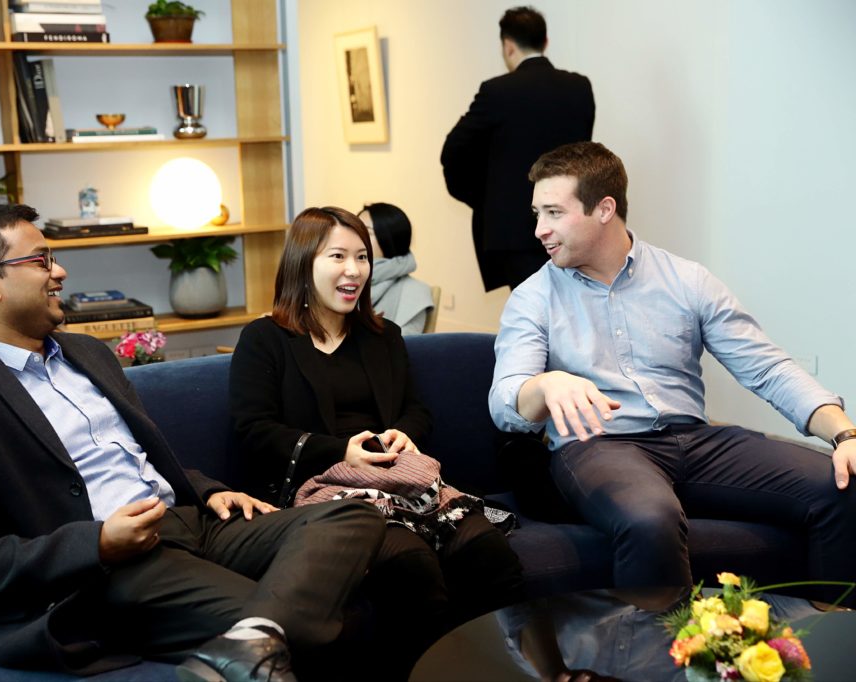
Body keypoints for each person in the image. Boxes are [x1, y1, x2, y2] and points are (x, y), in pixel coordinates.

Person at [0, 203, 387, 681]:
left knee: (353, 512)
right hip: (110, 570)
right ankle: (262, 634)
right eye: (40, 261)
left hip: (186, 521)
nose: (59, 271)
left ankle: (254, 637)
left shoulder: (88, 353)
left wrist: (207, 490)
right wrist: (95, 543)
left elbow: (137, 458)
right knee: (339, 620)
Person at [489, 141, 856, 606]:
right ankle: (663, 669)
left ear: (605, 209)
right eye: (537, 213)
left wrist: (844, 434)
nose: (540, 229)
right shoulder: (532, 297)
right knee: (649, 517)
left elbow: (767, 366)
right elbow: (506, 402)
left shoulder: (686, 280)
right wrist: (544, 385)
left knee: (840, 486)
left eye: (554, 213)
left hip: (696, 442)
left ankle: (831, 650)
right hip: (600, 447)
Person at [228, 206, 525, 680]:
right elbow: (253, 430)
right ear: (304, 262)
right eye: (338, 256)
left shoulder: (383, 336)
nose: (354, 270)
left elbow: (417, 411)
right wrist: (340, 450)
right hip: (325, 494)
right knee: (411, 564)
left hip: (399, 481)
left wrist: (405, 433)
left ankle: (509, 671)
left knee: (490, 553)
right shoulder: (266, 339)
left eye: (362, 256)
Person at [441, 6, 594, 292]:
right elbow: (584, 156)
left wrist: (484, 199)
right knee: (572, 312)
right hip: (571, 222)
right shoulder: (579, 87)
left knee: (530, 318)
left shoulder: (497, 91)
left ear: (508, 46)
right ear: (545, 42)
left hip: (515, 231)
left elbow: (452, 151)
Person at [357, 202, 435, 335]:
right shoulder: (341, 280)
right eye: (355, 230)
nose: (357, 237)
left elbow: (405, 348)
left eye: (367, 232)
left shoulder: (415, 293)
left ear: (388, 239)